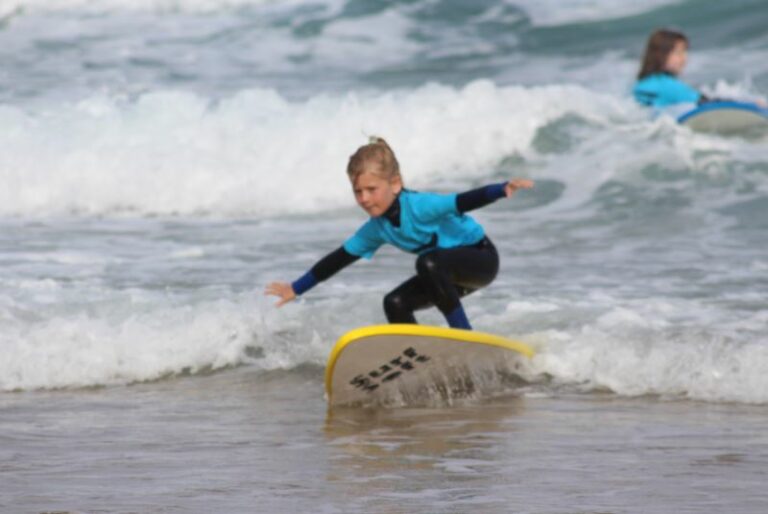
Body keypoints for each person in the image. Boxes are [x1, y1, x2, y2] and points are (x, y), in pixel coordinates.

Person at [265, 137, 533, 330]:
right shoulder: (376, 228)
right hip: (443, 276)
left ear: (395, 184)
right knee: (394, 302)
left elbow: (463, 200)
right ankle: (417, 361)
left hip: (481, 260)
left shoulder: (420, 206)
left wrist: (501, 189)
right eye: (358, 191)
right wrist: (296, 288)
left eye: (371, 189)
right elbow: (338, 259)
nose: (364, 198)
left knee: (428, 262)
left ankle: (464, 336)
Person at [633, 28, 705, 108]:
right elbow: (706, 103)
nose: (684, 58)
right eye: (678, 52)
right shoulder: (669, 86)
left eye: (685, 51)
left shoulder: (640, 84)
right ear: (660, 55)